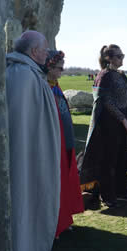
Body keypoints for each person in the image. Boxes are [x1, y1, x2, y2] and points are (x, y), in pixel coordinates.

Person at [6, 30, 60, 251]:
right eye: (45, 49)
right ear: (34, 50)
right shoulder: (21, 76)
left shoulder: (30, 73)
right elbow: (19, 122)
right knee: (24, 198)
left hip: (34, 150)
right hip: (25, 154)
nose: (47, 53)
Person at [79, 45, 127, 208]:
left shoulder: (121, 75)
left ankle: (122, 191)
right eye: (119, 56)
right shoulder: (103, 75)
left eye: (122, 55)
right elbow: (105, 101)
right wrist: (123, 121)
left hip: (125, 124)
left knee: (123, 158)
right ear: (108, 58)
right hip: (110, 125)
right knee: (108, 160)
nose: (122, 59)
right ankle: (108, 195)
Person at [45, 50, 85, 236]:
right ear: (49, 67)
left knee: (65, 179)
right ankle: (54, 223)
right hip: (54, 143)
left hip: (66, 140)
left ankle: (64, 217)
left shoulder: (55, 86)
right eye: (59, 68)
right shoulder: (44, 87)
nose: (62, 71)